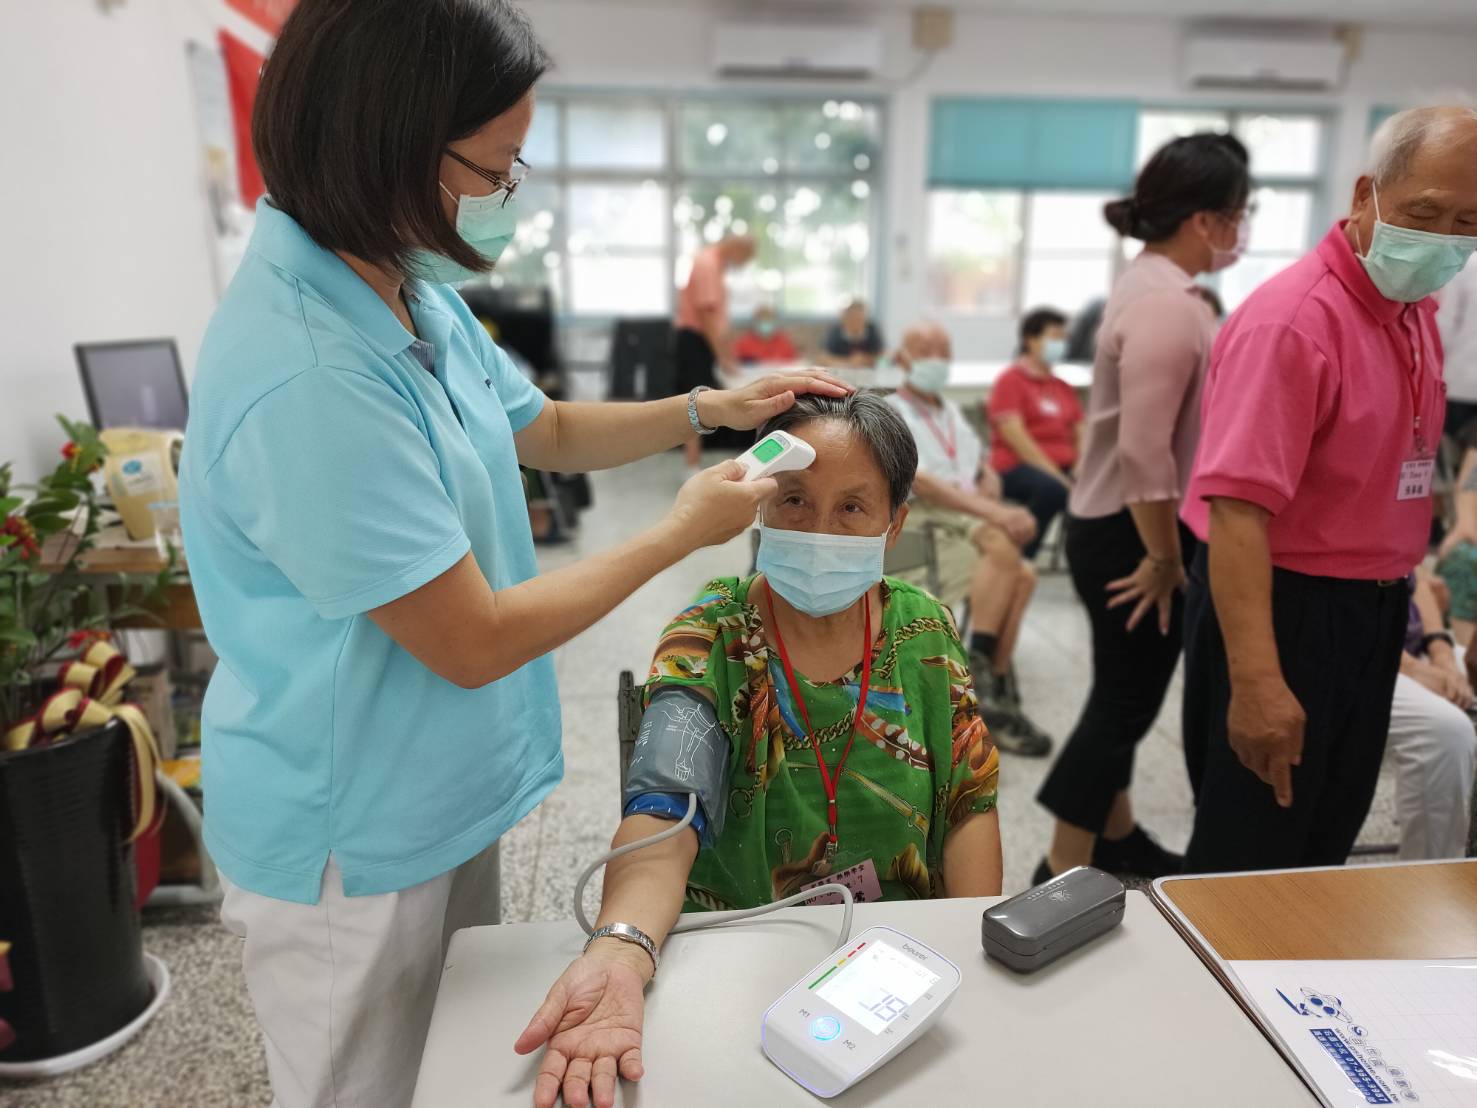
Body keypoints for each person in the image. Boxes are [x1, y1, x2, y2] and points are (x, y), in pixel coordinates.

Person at [176, 5, 849, 1105]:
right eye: (492, 168)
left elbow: (539, 427)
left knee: (451, 1062)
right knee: (373, 1086)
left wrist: (705, 405)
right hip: (351, 834)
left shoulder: (404, 284)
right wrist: (677, 532)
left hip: (438, 783)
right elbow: (473, 636)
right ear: (386, 147)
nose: (506, 193)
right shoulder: (309, 371)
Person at [515, 393, 1002, 1108]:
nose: (819, 529)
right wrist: (620, 948)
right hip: (736, 955)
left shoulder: (922, 627)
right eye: (795, 500)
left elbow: (969, 802)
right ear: (758, 503)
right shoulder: (711, 631)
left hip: (896, 967)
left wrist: (968, 950)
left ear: (894, 522)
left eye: (852, 508)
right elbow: (662, 811)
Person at [1180, 106, 1477, 874]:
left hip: (1373, 608)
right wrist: (1256, 682)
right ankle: (1221, 991)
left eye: (1467, 222)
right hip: (1284, 607)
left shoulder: (1409, 310)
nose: (1443, 238)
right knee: (1252, 850)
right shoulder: (1295, 322)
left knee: (1323, 837)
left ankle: (1300, 992)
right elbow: (1237, 513)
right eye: (1422, 213)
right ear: (1363, 196)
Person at [1034, 133, 1250, 884]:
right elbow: (1143, 451)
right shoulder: (1165, 304)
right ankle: (1060, 867)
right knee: (1125, 705)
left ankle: (1115, 836)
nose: (1241, 229)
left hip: (1119, 522)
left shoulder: (1149, 284)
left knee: (1115, 691)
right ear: (1203, 220)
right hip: (1136, 531)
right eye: (1238, 212)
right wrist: (1163, 557)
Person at [887, 323, 1053, 757]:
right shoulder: (893, 411)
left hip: (962, 512)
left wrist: (989, 477)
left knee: (1026, 576)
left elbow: (974, 463)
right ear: (901, 357)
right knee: (1008, 555)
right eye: (925, 348)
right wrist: (993, 510)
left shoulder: (949, 411)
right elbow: (924, 484)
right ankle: (985, 684)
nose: (936, 357)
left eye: (943, 349)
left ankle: (987, 690)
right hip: (926, 519)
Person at [1387, 571, 1476, 860]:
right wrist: (1414, 670)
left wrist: (1443, 658)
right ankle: (1430, 872)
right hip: (1369, 657)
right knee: (1446, 729)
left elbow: (1417, 582)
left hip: (1417, 650)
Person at [988, 306, 1084, 555]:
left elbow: (1081, 431)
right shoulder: (1011, 380)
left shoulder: (1062, 386)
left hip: (1063, 469)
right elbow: (1017, 439)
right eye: (1054, 337)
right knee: (1052, 490)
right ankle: (1020, 557)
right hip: (1016, 467)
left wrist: (1080, 467)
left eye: (1064, 338)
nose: (1060, 343)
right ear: (1030, 339)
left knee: (1099, 490)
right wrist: (1059, 476)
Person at [674, 233, 757, 467]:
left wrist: (726, 352)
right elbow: (706, 314)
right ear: (737, 248)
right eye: (745, 258)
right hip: (695, 340)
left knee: (705, 399)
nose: (742, 264)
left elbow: (717, 317)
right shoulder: (707, 264)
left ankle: (697, 462)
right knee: (695, 402)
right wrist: (722, 356)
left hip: (702, 339)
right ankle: (691, 465)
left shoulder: (717, 265)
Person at [1438, 246, 1477, 434]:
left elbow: (1444, 324)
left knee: (1449, 457)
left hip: (1458, 384)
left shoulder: (1465, 267)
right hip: (1460, 383)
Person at [818, 298, 885, 368]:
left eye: (859, 317)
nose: (855, 321)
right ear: (844, 318)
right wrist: (848, 362)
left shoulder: (872, 330)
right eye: (851, 317)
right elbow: (822, 358)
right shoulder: (835, 331)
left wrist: (866, 359)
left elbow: (883, 357)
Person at [732, 303, 798, 364]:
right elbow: (736, 364)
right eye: (762, 319)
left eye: (769, 319)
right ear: (755, 321)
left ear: (775, 321)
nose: (766, 322)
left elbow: (793, 364)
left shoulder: (785, 342)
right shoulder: (743, 343)